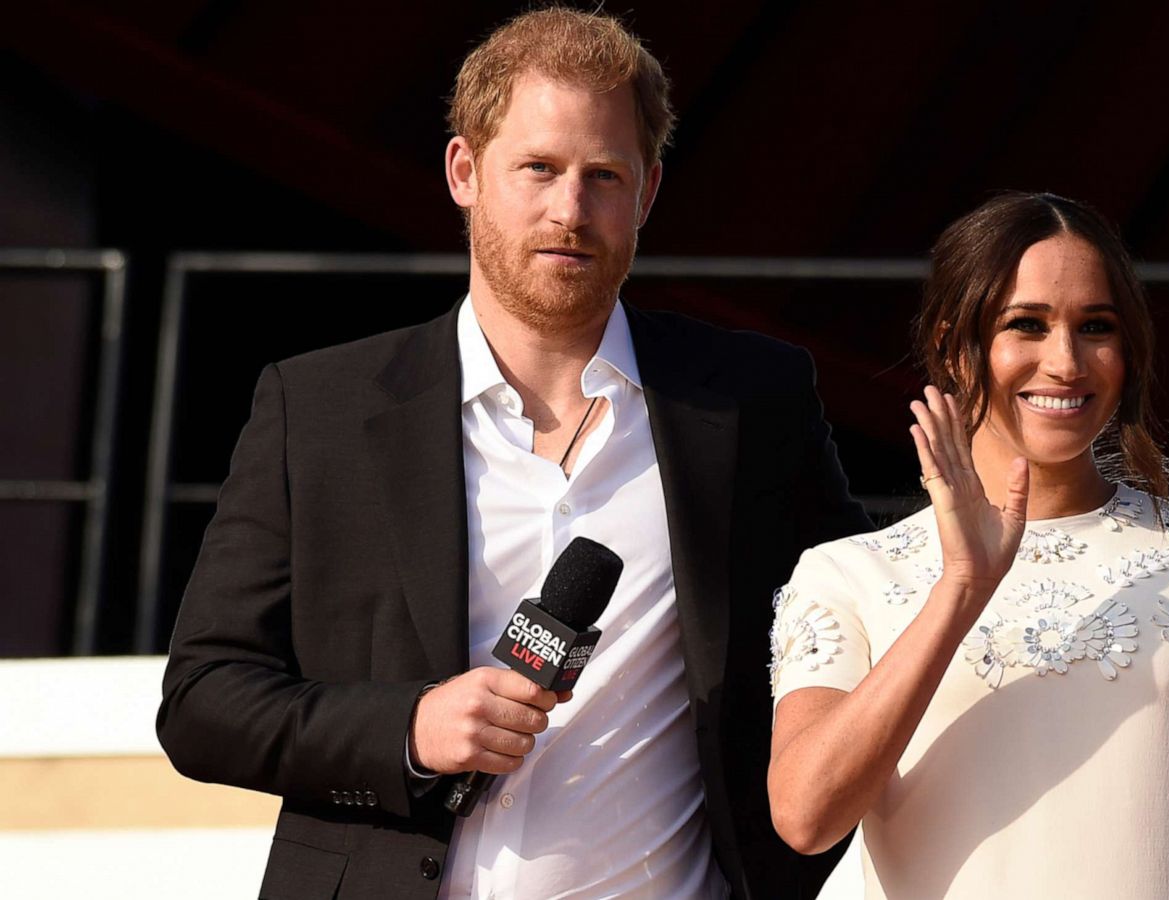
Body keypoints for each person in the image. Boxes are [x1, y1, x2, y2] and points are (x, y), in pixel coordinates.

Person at [156, 9, 869, 899]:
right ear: (465, 172)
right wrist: (409, 730)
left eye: (604, 176)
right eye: (538, 167)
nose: (570, 210)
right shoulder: (319, 409)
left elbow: (866, 611)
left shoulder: (749, 402)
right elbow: (202, 702)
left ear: (646, 193)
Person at [767, 192, 1169, 898]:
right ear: (953, 345)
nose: (1065, 362)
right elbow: (805, 816)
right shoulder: (848, 575)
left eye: (1096, 326)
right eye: (1025, 325)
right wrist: (961, 588)